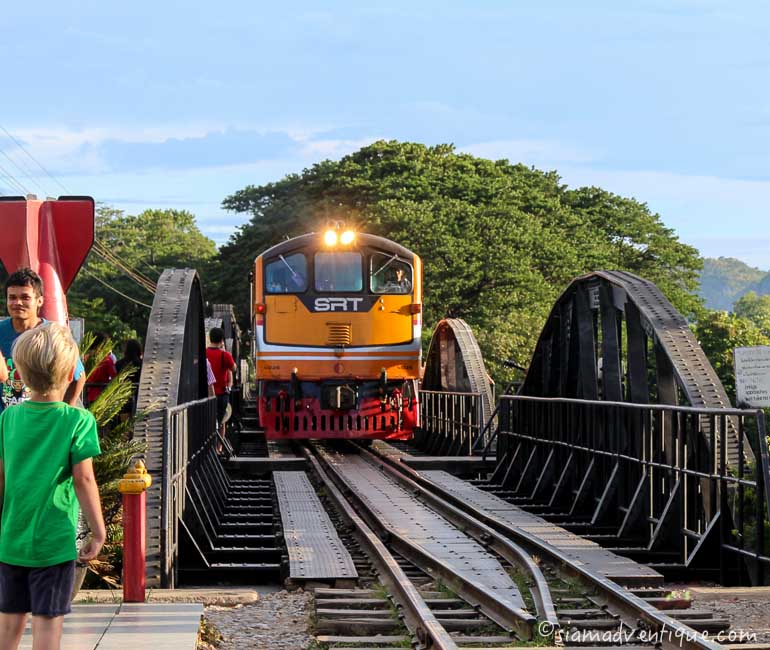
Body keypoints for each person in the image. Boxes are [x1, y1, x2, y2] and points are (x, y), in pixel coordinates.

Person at [0, 322, 105, 650]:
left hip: (12, 538)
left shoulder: (8, 419)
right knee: (47, 626)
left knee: (8, 624)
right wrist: (98, 531)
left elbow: (1, 478)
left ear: (20, 370)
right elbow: (84, 478)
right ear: (69, 372)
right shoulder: (77, 421)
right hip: (54, 541)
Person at [0, 268, 86, 412]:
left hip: (42, 421)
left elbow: (78, 376)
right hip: (7, 423)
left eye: (25, 297)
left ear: (40, 301)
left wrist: (63, 411)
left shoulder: (53, 334)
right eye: (12, 297)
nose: (18, 302)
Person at [205, 328, 236, 444]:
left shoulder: (204, 353)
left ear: (210, 339)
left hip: (206, 395)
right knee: (222, 421)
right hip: (222, 394)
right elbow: (234, 368)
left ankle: (209, 446)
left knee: (208, 420)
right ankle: (219, 447)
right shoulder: (225, 355)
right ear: (222, 340)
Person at [85, 333, 117, 405]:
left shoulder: (85, 358)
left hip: (87, 395)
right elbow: (114, 377)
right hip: (102, 395)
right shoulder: (107, 360)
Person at [116, 339, 143, 418]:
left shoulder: (119, 363)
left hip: (124, 394)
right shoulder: (141, 363)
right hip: (138, 394)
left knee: (125, 420)